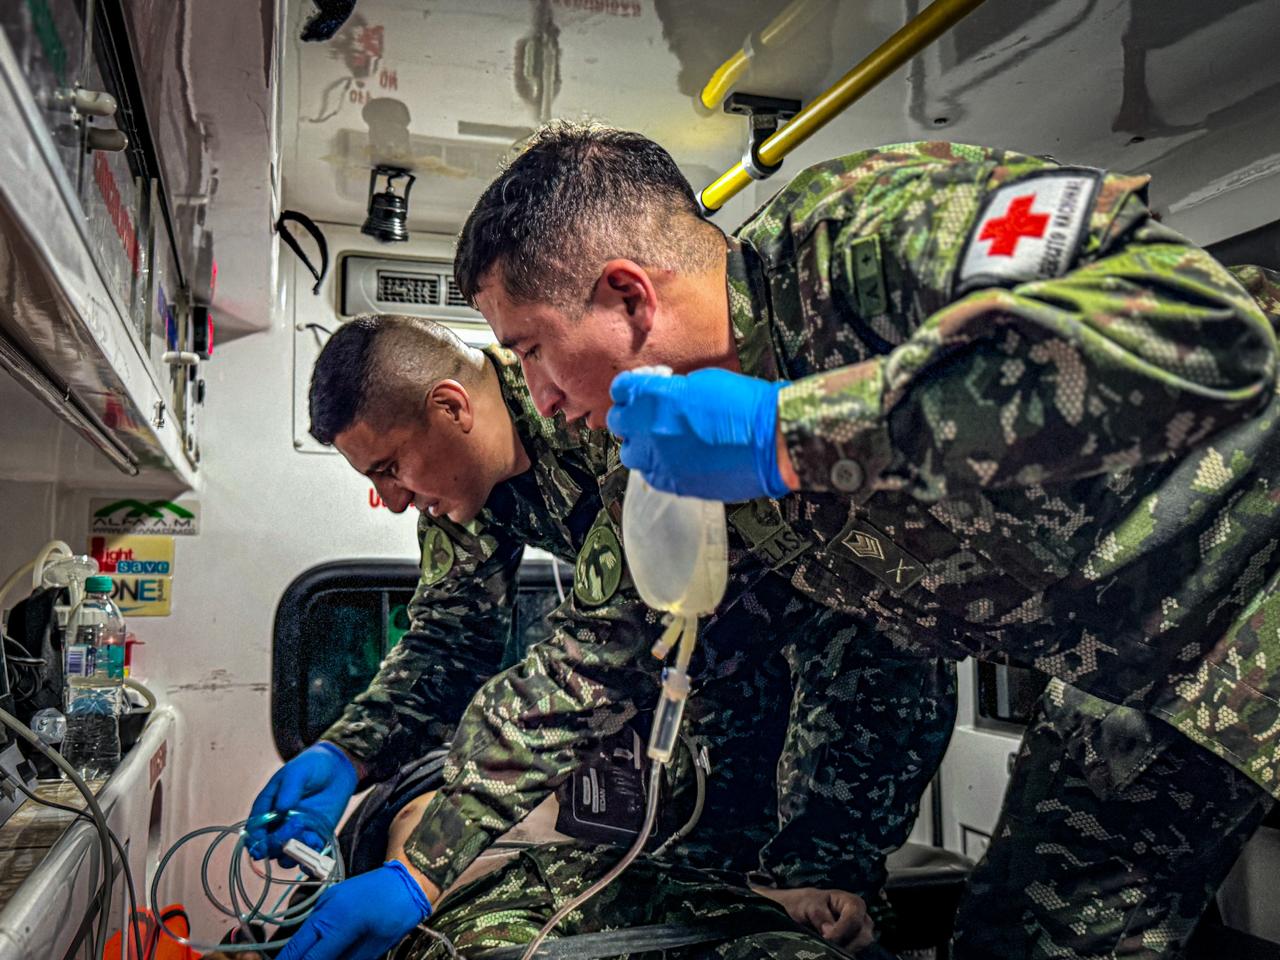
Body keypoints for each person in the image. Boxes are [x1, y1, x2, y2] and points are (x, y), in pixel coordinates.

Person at [453, 122, 1280, 958]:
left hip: (1257, 568)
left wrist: (790, 435)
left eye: (532, 352)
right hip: (1143, 653)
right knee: (1022, 936)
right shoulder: (682, 451)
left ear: (629, 297)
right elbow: (596, 649)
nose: (542, 398)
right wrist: (420, 866)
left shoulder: (866, 232)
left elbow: (1207, 338)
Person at [250, 314, 955, 959]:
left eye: (389, 467)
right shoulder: (459, 491)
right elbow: (447, 638)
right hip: (723, 688)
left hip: (847, 673)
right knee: (708, 912)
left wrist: (420, 872)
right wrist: (349, 752)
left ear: (450, 407)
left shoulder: (589, 409)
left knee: (821, 910)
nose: (396, 497)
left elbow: (594, 656)